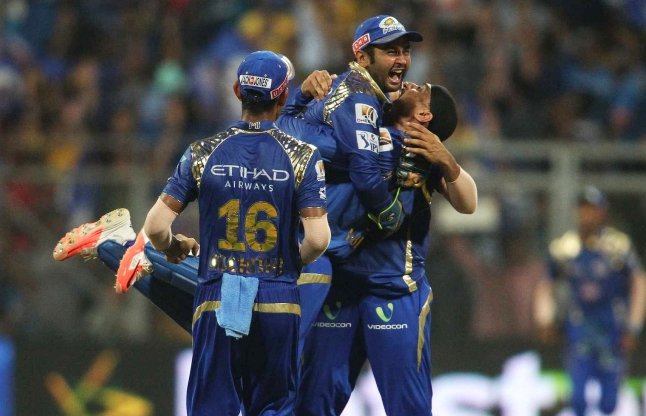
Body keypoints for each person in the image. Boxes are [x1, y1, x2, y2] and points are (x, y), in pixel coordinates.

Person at [119, 50, 330, 416]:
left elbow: (154, 227)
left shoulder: (202, 152)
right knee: (274, 408)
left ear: (236, 91)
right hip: (278, 296)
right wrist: (290, 264)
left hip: (218, 296)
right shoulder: (303, 156)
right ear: (283, 96)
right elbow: (318, 239)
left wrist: (173, 247)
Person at [534, 186, 646, 416]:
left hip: (611, 327)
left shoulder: (618, 248)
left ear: (602, 212)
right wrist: (544, 318)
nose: (588, 215)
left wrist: (634, 324)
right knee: (578, 396)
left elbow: (638, 283)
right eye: (584, 209)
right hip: (580, 327)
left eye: (593, 209)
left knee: (609, 399)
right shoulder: (565, 249)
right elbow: (545, 285)